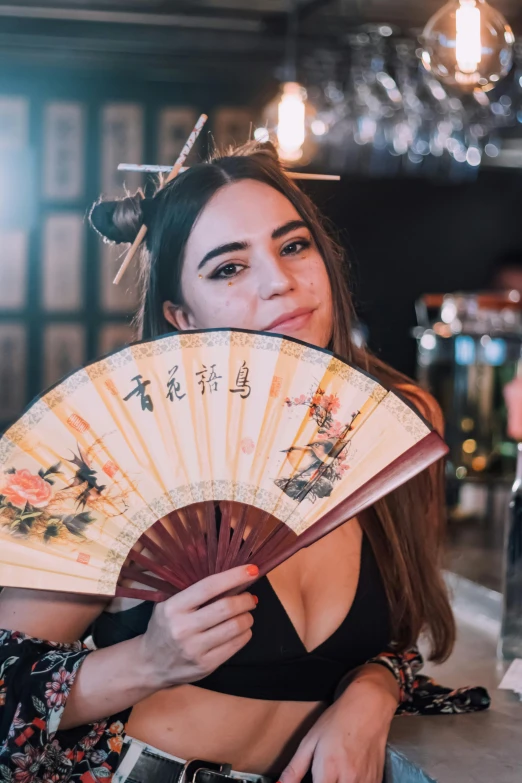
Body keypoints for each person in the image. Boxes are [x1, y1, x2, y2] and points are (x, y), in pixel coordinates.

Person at [0, 142, 488, 783]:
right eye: (228, 269)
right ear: (181, 315)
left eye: (293, 247)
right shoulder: (120, 455)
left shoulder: (393, 423)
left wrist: (372, 688)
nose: (278, 281)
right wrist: (151, 660)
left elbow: (401, 635)